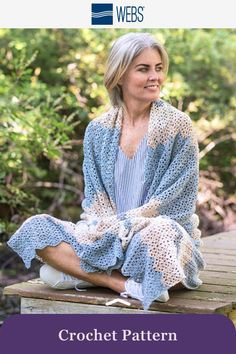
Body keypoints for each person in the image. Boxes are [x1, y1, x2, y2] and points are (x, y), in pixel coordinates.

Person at [7, 32, 205, 310]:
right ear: (120, 75)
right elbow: (95, 202)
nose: (155, 77)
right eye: (143, 69)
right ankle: (121, 283)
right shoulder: (98, 131)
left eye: (159, 68)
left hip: (152, 235)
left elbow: (174, 206)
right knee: (36, 228)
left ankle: (84, 274)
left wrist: (123, 229)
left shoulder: (177, 126)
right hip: (105, 233)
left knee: (159, 234)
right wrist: (104, 232)